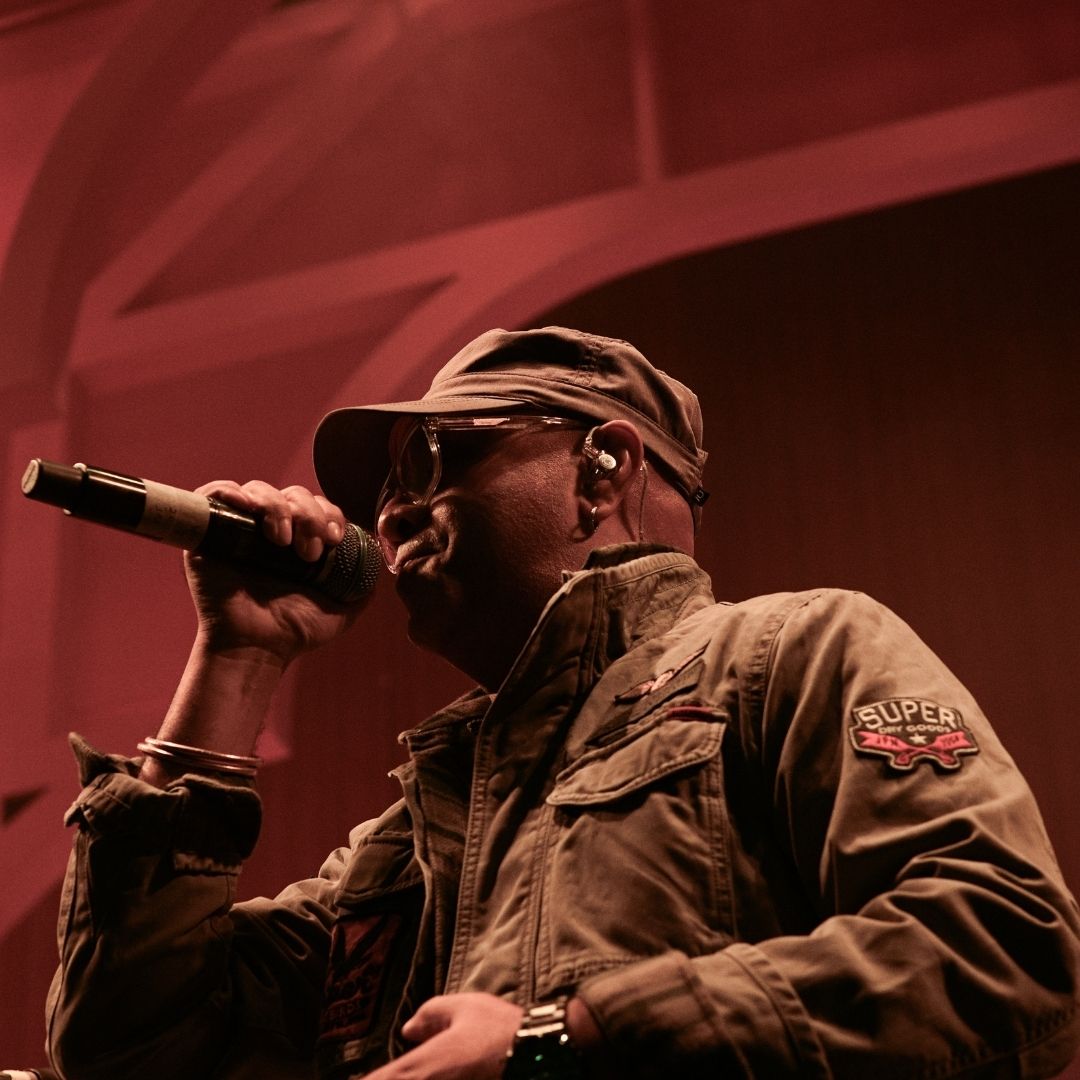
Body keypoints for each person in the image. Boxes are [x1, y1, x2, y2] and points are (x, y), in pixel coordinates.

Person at [46, 327, 1080, 1079]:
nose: (390, 511)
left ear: (603, 468)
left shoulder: (789, 654)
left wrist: (565, 1043)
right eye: (386, 486)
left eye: (432, 459)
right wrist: (237, 658)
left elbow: (1004, 947)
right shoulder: (403, 849)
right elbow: (129, 1048)